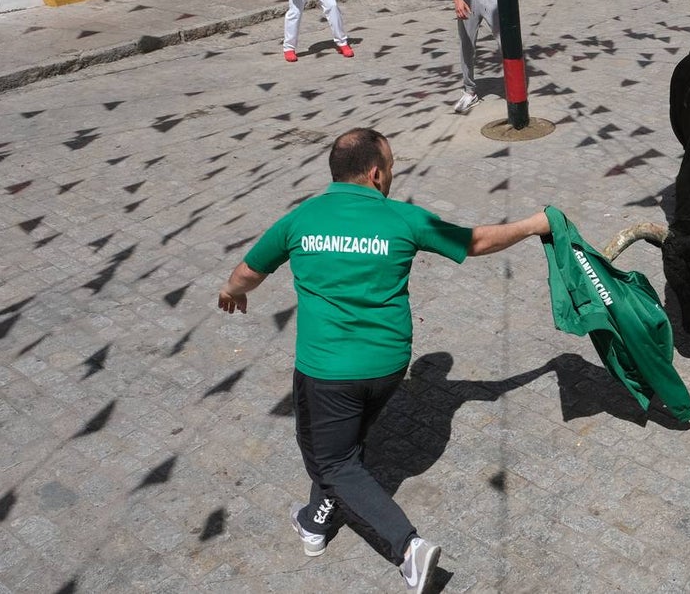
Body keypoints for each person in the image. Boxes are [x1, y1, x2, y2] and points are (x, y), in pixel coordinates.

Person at [217, 128, 550, 594]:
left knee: (331, 460)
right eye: (392, 167)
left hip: (327, 371)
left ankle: (408, 548)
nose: (392, 175)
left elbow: (247, 273)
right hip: (388, 366)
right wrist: (535, 224)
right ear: (376, 174)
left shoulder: (301, 219)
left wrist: (231, 292)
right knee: (342, 446)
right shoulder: (402, 218)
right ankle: (315, 522)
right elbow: (477, 241)